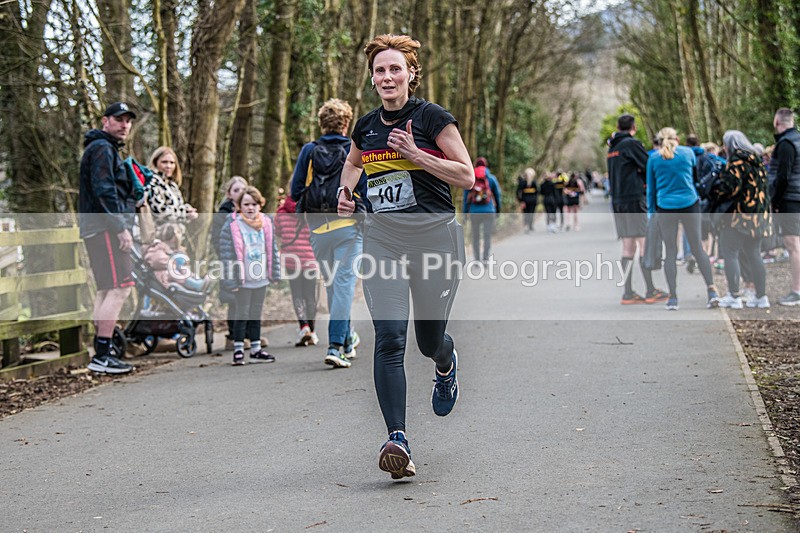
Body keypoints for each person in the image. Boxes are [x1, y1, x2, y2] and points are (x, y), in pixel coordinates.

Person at [336, 34, 473, 479]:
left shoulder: (433, 118)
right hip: (384, 243)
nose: (388, 76)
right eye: (380, 70)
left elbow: (466, 175)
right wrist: (345, 191)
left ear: (411, 74)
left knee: (428, 342)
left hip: (435, 242)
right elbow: (353, 163)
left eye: (395, 68)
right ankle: (398, 439)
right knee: (390, 337)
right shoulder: (366, 126)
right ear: (372, 78)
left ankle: (445, 364)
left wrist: (416, 155)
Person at [290, 98, 364, 368]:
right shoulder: (353, 151)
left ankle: (347, 340)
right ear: (346, 124)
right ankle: (336, 346)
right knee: (343, 286)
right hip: (347, 226)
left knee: (334, 285)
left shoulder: (309, 150)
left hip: (318, 228)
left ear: (321, 123)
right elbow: (364, 188)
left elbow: (295, 191)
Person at [79, 102, 137, 374]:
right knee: (120, 288)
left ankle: (102, 351)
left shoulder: (101, 148)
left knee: (106, 289)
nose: (124, 125)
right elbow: (104, 191)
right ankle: (103, 355)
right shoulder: (103, 149)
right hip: (105, 228)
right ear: (106, 121)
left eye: (128, 120)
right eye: (119, 119)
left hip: (97, 227)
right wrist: (119, 227)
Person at [647, 127, 720, 310]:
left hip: (665, 206)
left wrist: (651, 213)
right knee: (697, 248)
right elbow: (694, 179)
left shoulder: (654, 158)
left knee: (670, 251)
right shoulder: (688, 153)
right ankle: (711, 291)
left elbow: (651, 189)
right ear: (677, 139)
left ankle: (673, 298)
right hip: (689, 203)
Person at [606, 114, 667, 305]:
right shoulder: (631, 144)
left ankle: (628, 293)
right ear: (634, 127)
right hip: (634, 199)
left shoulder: (612, 148)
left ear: (618, 127)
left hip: (618, 201)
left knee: (628, 247)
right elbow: (648, 165)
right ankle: (650, 290)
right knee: (643, 242)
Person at [218, 185, 279, 365]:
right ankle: (238, 349)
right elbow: (226, 255)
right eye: (246, 204)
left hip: (261, 277)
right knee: (242, 313)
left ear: (260, 205)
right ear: (239, 206)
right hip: (242, 279)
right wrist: (230, 280)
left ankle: (255, 349)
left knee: (255, 314)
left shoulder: (266, 223)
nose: (250, 208)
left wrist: (275, 273)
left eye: (254, 204)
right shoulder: (232, 225)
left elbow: (272, 249)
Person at [710, 130, 771, 308]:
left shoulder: (736, 162)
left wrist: (715, 190)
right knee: (754, 254)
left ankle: (734, 295)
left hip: (739, 216)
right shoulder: (758, 162)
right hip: (759, 216)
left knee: (730, 253)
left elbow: (730, 189)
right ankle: (761, 297)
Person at [275, 195, 320, 346]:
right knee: (310, 296)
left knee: (297, 294)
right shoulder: (313, 209)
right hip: (310, 258)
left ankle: (303, 326)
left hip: (291, 259)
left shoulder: (281, 213)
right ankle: (312, 332)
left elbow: (278, 232)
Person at [212, 176, 249, 350]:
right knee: (234, 299)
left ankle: (248, 334)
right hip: (231, 262)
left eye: (243, 189)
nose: (240, 193)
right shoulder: (222, 214)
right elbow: (217, 239)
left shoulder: (250, 212)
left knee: (249, 299)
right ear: (229, 194)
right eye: (236, 190)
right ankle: (233, 336)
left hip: (250, 262)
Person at [769, 108, 800, 306]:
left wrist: (776, 200)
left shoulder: (786, 144)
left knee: (793, 244)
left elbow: (783, 176)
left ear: (777, 122)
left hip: (791, 198)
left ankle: (797, 291)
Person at [146, 146, 198, 225]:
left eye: (172, 163)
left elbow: (177, 206)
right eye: (164, 162)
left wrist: (187, 209)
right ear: (155, 163)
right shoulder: (152, 182)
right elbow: (160, 211)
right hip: (155, 229)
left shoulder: (172, 185)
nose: (168, 166)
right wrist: (184, 213)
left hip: (175, 230)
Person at [463, 156, 501, 261]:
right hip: (489, 211)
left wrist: (465, 214)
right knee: (487, 235)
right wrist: (498, 210)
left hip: (474, 212)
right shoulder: (491, 179)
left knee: (475, 236)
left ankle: (477, 259)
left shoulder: (471, 179)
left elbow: (466, 199)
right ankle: (485, 257)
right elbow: (497, 195)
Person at [516, 168, 538, 233]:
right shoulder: (522, 183)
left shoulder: (534, 183)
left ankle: (530, 225)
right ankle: (526, 225)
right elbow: (518, 192)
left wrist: (535, 200)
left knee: (531, 213)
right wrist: (521, 201)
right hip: (525, 202)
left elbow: (537, 192)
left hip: (532, 201)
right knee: (526, 213)